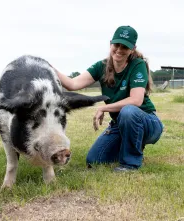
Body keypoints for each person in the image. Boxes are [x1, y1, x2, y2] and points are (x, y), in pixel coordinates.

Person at [54, 25, 164, 172]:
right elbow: (73, 84)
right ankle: (131, 146)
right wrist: (50, 68)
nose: (119, 49)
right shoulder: (101, 66)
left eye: (124, 46)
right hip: (120, 124)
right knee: (94, 160)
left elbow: (136, 100)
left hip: (148, 123)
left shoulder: (138, 64)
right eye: (116, 45)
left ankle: (130, 164)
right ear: (110, 44)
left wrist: (103, 107)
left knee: (128, 111)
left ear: (132, 49)